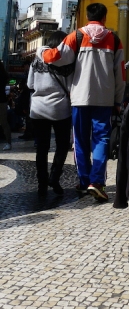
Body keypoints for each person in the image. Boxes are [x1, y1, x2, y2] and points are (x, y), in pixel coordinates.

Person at [42, 3, 126, 201]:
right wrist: (118, 99)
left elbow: (56, 57)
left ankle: (83, 181)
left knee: (80, 140)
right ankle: (96, 182)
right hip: (104, 99)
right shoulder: (114, 39)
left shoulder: (76, 36)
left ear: (87, 17)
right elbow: (121, 73)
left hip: (80, 97)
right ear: (104, 17)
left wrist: (44, 52)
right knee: (101, 139)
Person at [28, 30, 73, 197]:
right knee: (61, 146)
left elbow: (30, 84)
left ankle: (41, 182)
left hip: (38, 109)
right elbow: (69, 87)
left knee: (42, 148)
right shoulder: (66, 62)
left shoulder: (36, 61)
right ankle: (54, 177)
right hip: (59, 108)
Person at [0, 61, 10, 150]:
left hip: (1, 100)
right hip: (2, 100)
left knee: (4, 122)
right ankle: (8, 142)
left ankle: (8, 142)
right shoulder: (4, 75)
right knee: (4, 122)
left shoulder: (2, 76)